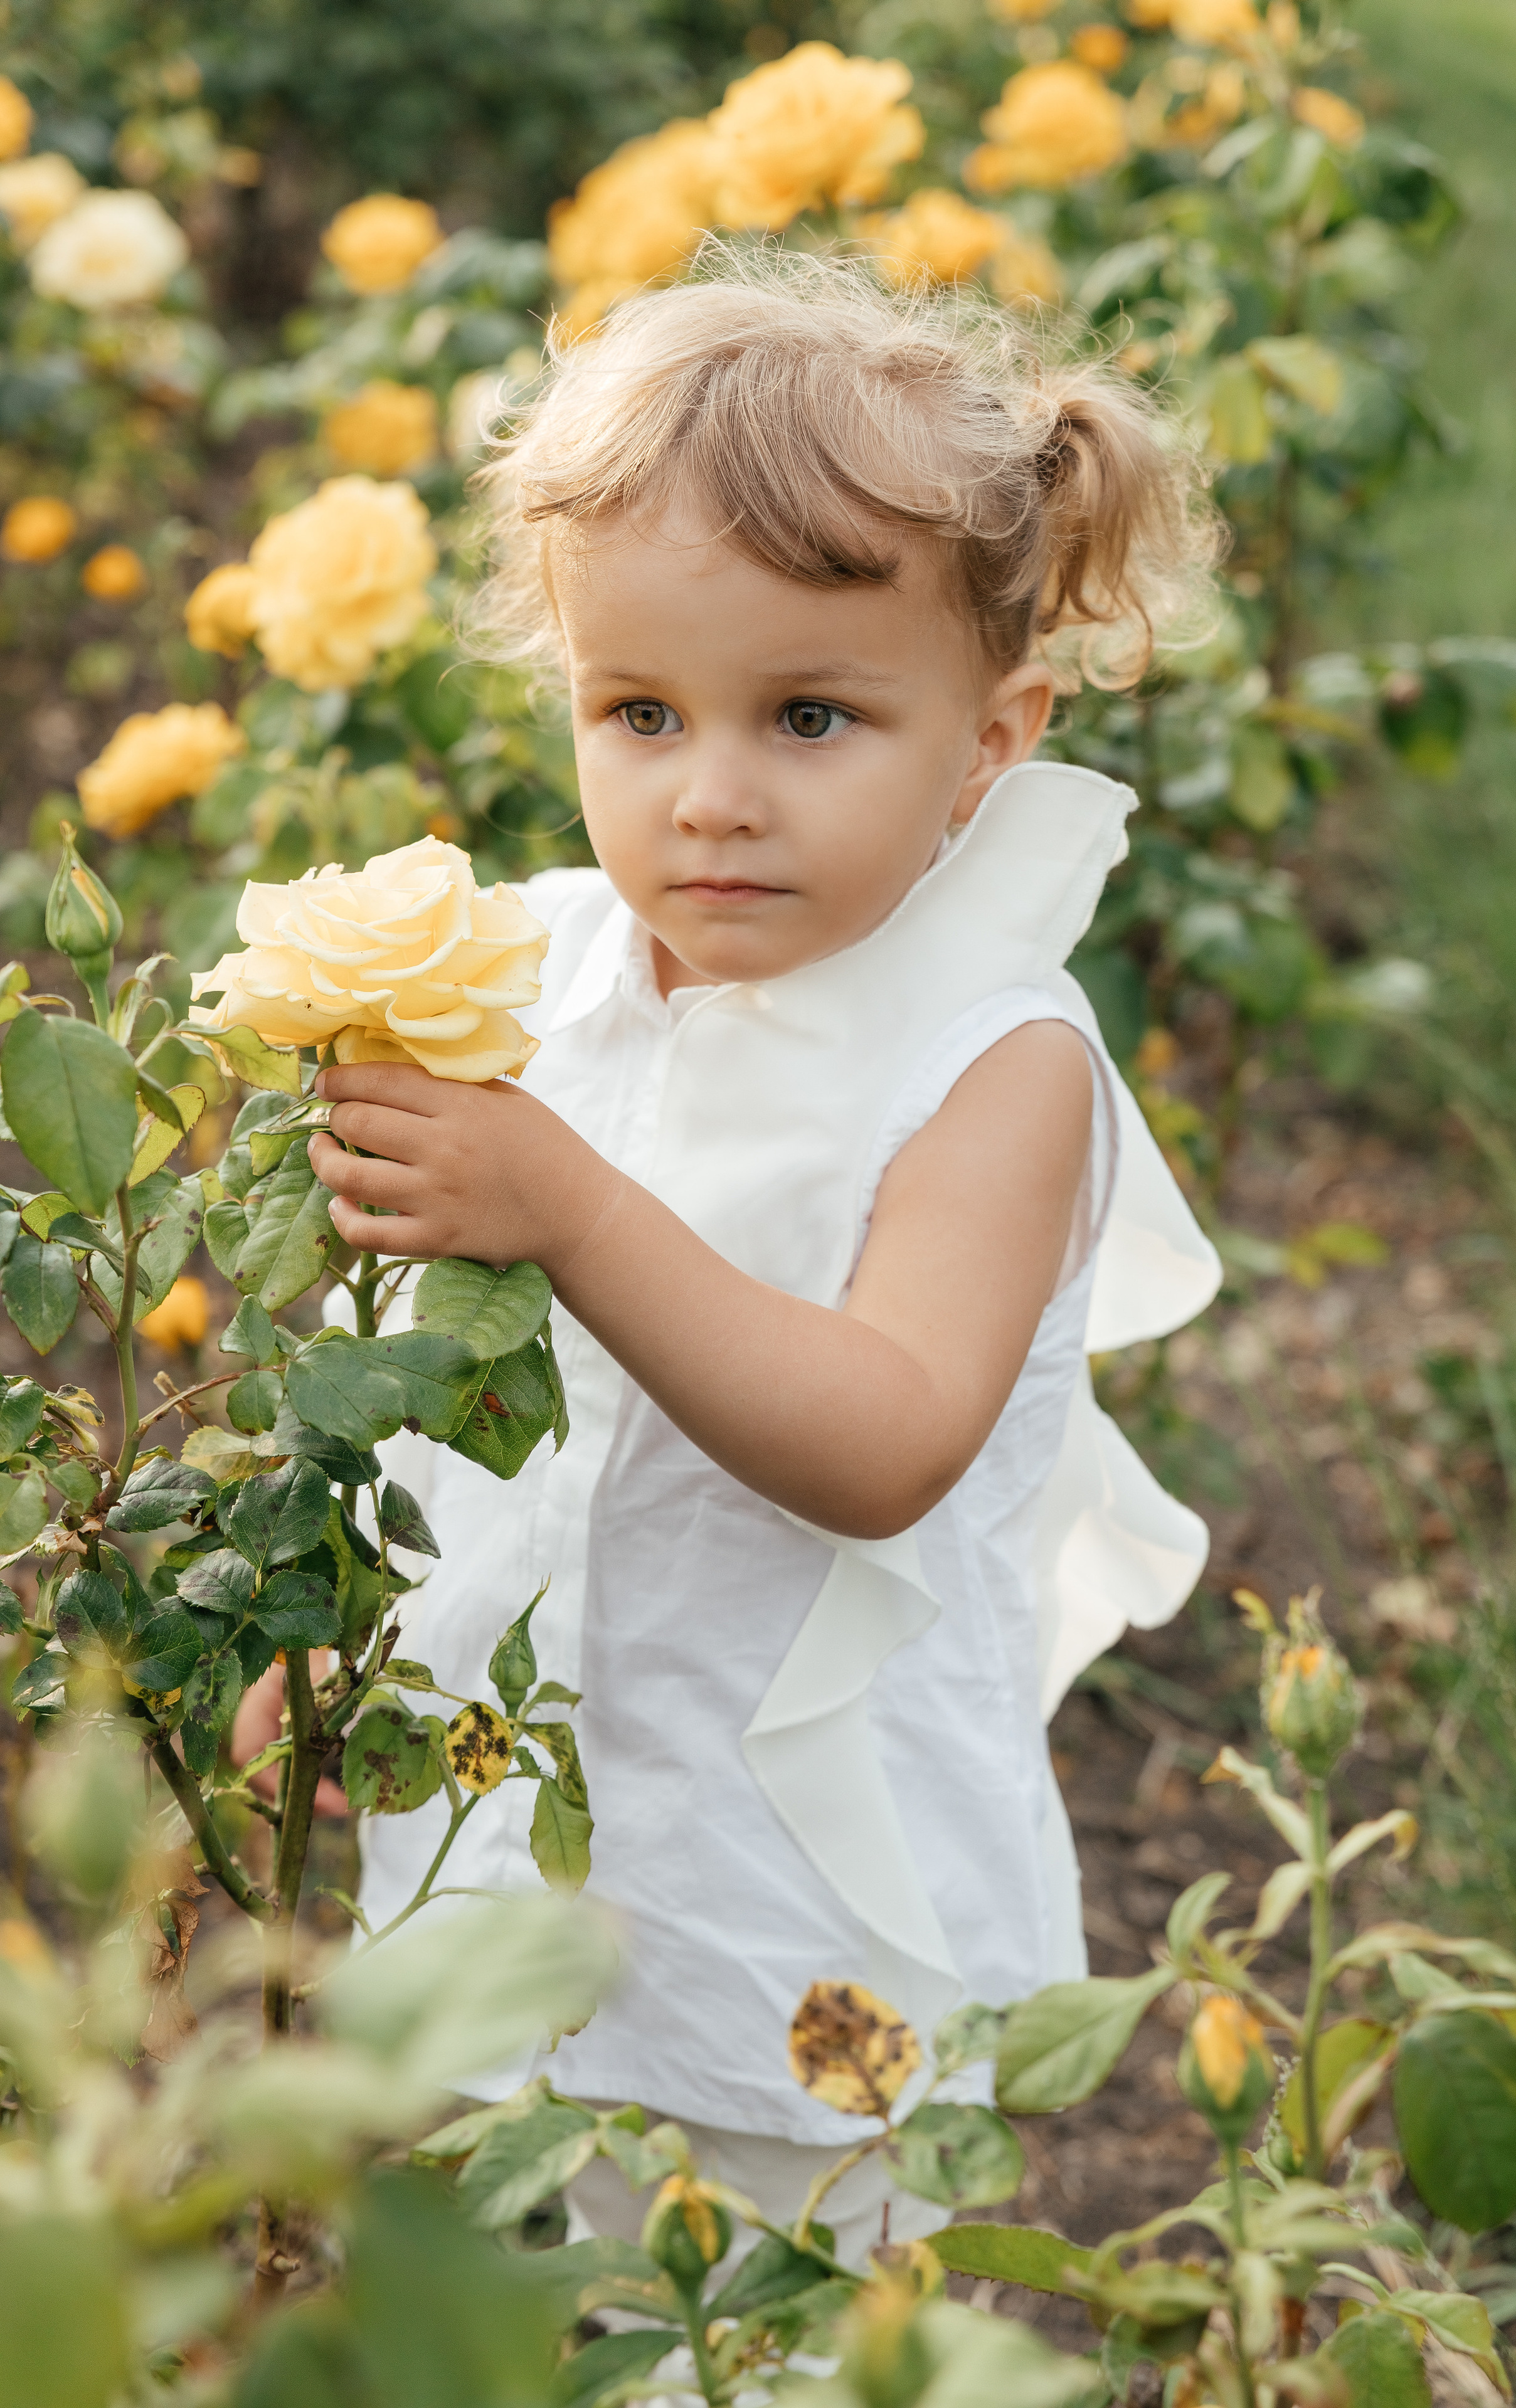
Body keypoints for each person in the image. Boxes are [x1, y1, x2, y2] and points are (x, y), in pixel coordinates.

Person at [295, 250, 1224, 2263]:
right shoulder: (529, 968)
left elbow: (887, 1435)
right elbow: (416, 1385)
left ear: (990, 740)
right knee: (499, 2295)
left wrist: (569, 1214)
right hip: (507, 1823)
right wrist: (319, 1614)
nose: (711, 797)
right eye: (641, 711)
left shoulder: (995, 1066)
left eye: (811, 716)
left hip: (792, 1890)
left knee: (759, 2326)